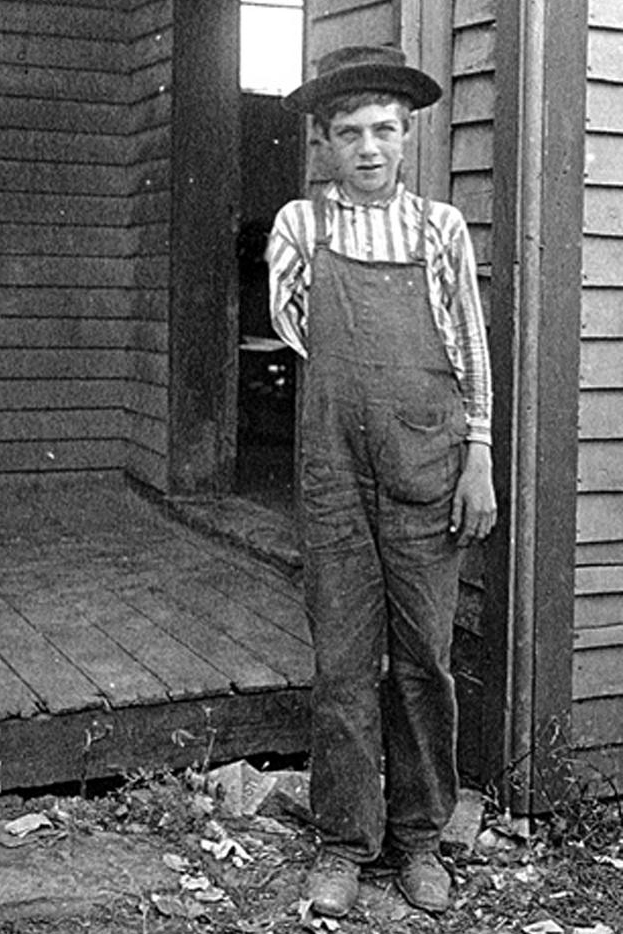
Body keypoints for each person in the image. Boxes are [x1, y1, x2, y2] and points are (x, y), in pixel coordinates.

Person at [266, 45, 496, 918]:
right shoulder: (300, 228)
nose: (369, 148)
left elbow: (467, 344)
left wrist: (474, 454)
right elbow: (299, 332)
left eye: (385, 131)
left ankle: (420, 840)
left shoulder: (438, 229)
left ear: (408, 138)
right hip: (332, 469)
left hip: (428, 465)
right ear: (323, 143)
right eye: (350, 133)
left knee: (424, 662)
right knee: (343, 666)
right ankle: (342, 844)